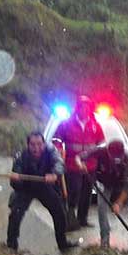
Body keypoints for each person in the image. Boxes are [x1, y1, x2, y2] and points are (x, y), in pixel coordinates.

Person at [6, 131, 77, 253]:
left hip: (44, 186)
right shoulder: (21, 156)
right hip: (26, 188)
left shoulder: (51, 151)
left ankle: (63, 243)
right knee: (15, 214)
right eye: (32, 145)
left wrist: (55, 174)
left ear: (44, 144)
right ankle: (11, 247)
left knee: (59, 212)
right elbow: (15, 184)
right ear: (28, 145)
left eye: (39, 144)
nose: (36, 148)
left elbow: (59, 163)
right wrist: (16, 179)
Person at [88, 140, 128, 251]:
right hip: (106, 183)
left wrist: (118, 203)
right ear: (108, 152)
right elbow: (81, 156)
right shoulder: (100, 151)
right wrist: (79, 162)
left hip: (123, 184)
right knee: (101, 208)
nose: (117, 160)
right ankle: (105, 240)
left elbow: (127, 186)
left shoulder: (126, 159)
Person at [53, 95, 106, 231]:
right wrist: (59, 152)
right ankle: (70, 217)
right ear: (77, 109)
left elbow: (101, 144)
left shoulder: (95, 125)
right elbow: (57, 141)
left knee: (87, 193)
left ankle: (83, 219)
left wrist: (99, 159)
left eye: (87, 107)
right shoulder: (66, 125)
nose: (85, 110)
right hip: (72, 165)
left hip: (90, 166)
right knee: (73, 192)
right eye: (82, 107)